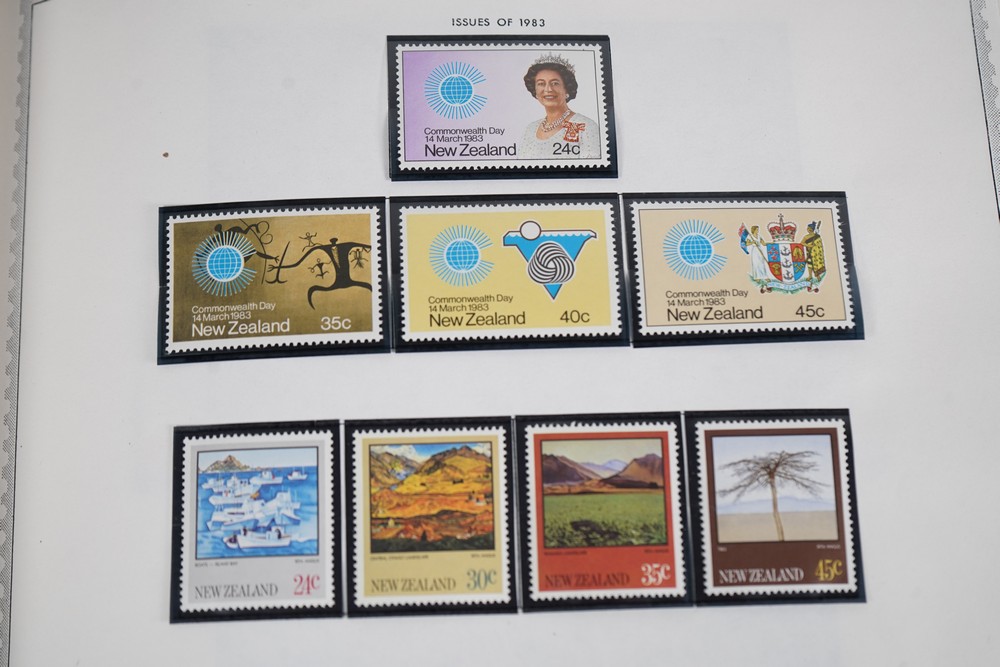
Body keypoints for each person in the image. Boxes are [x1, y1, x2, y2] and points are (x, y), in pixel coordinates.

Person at [520, 55, 600, 159]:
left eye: (555, 83)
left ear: (566, 89)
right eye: (541, 84)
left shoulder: (585, 127)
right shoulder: (530, 130)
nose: (548, 89)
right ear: (535, 91)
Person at [802, 221, 826, 291]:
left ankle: (817, 276)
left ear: (812, 229)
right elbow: (802, 243)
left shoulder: (816, 236)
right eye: (808, 228)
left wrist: (815, 246)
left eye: (810, 229)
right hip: (809, 252)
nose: (808, 230)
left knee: (816, 264)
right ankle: (810, 276)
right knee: (809, 265)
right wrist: (809, 245)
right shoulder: (806, 237)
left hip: (815, 254)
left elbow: (819, 244)